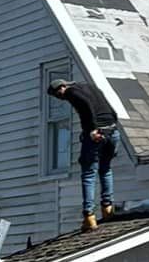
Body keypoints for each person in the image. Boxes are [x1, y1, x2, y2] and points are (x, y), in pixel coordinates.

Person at [48, 79, 120, 230]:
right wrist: (112, 124)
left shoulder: (71, 92)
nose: (60, 98)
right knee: (105, 168)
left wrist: (93, 129)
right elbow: (110, 108)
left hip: (97, 133)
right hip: (112, 131)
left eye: (57, 95)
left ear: (61, 87)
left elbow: (86, 103)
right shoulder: (90, 87)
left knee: (88, 172)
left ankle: (89, 216)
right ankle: (107, 208)